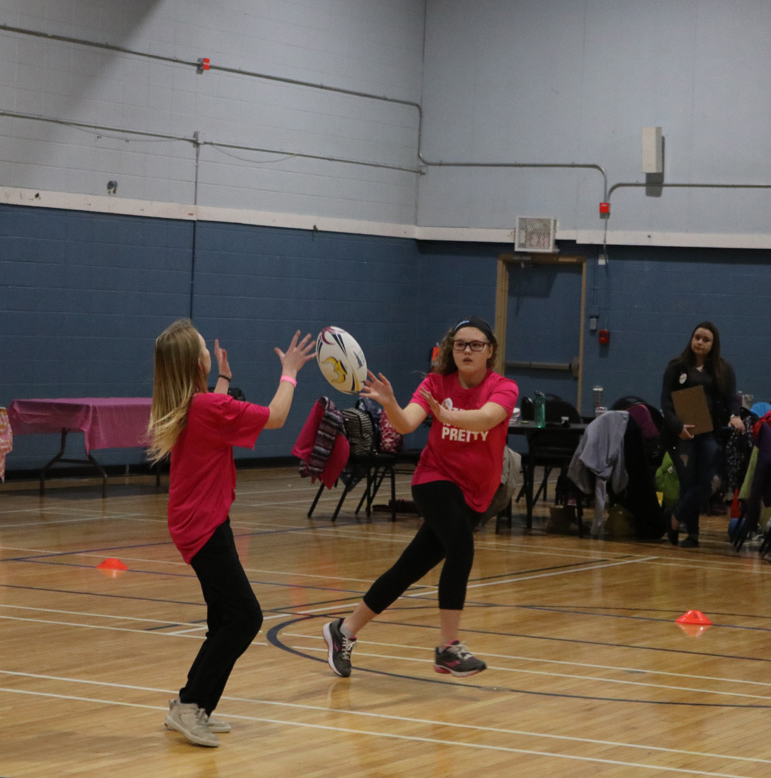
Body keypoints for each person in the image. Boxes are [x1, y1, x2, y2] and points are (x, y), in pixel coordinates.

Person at [148, 318, 315, 747]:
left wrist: (223, 378)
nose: (209, 350)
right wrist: (290, 372)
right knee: (245, 617)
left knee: (224, 618)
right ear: (194, 360)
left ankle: (192, 705)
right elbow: (276, 417)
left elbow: (214, 414)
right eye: (204, 347)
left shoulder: (197, 403)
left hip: (198, 520)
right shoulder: (206, 407)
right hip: (203, 526)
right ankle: (189, 707)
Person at [322, 316, 518, 679]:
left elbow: (487, 419)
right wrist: (391, 404)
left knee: (408, 569)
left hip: (475, 495)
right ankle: (448, 648)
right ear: (451, 349)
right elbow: (406, 423)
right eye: (460, 344)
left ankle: (344, 630)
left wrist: (450, 415)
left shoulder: (503, 387)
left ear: (490, 351)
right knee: (461, 547)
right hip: (435, 480)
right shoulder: (434, 383)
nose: (467, 351)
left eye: (475, 345)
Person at [661, 321, 744, 548]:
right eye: (697, 337)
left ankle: (675, 516)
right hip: (682, 434)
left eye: (706, 340)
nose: (700, 342)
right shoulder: (676, 366)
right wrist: (678, 426)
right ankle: (692, 535)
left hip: (710, 434)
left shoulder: (723, 369)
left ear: (713, 345)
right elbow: (666, 403)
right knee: (688, 482)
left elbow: (731, 400)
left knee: (714, 479)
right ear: (691, 338)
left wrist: (735, 415)